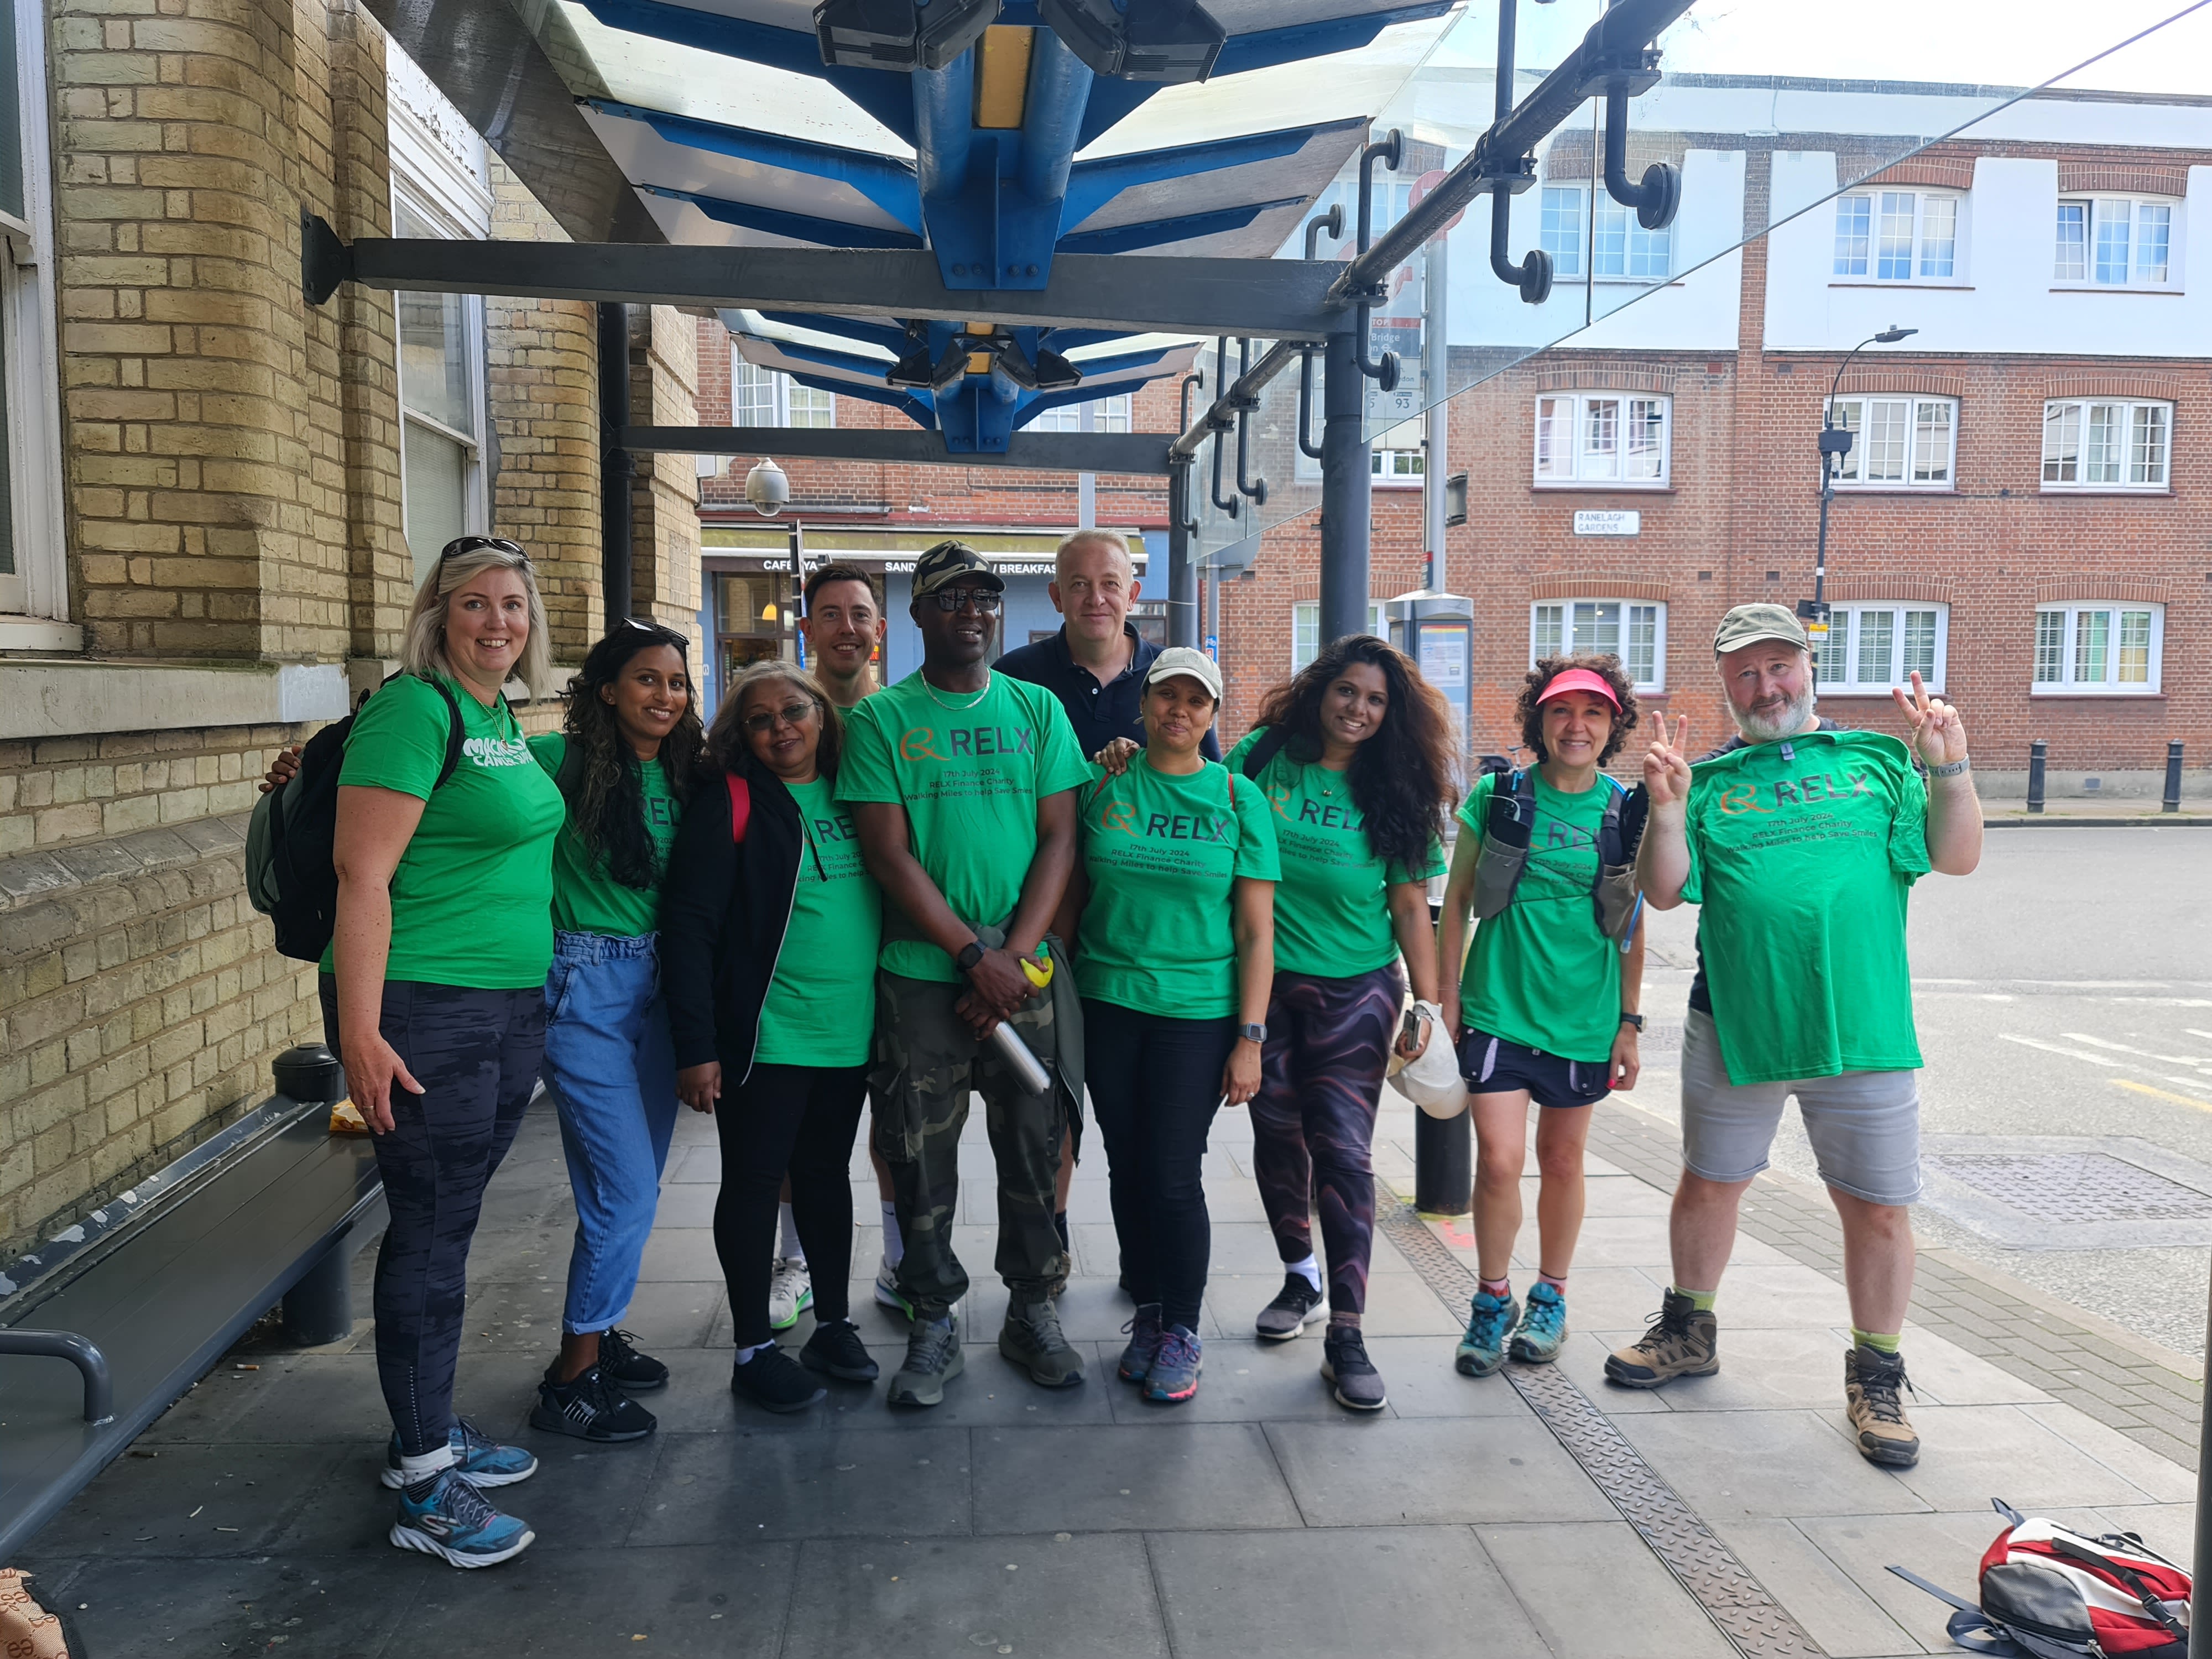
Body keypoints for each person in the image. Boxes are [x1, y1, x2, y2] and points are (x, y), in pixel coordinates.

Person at [1604, 603, 1981, 1470]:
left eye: (1779, 666)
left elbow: (1956, 855)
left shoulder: (1877, 760)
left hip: (1864, 1028)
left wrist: (1949, 766)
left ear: (1808, 670)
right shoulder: (1708, 780)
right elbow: (1664, 892)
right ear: (1726, 685)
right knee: (1710, 1183)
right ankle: (1689, 1328)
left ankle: (1877, 1374)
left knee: (1877, 1208)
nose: (1765, 686)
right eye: (1745, 672)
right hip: (1737, 1021)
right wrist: (1667, 808)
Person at [324, 536, 564, 1568]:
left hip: (506, 1008)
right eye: (475, 604)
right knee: (429, 1234)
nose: (497, 622)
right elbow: (362, 876)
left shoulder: (497, 716)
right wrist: (361, 1032)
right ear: (438, 615)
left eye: (512, 605)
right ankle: (427, 1487)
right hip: (428, 1007)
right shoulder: (414, 711)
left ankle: (423, 1431)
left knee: (449, 1225)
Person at [837, 539, 1093, 1408]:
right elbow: (888, 854)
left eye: (984, 597)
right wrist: (971, 959)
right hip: (923, 980)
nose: (973, 612)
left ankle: (1033, 1308)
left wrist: (1012, 960)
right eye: (951, 599)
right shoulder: (881, 720)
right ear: (917, 613)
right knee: (917, 1153)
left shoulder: (1036, 709)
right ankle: (932, 1317)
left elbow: (1060, 837)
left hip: (1025, 976)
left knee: (1036, 1145)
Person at [1227, 634, 1454, 1412]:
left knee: (1344, 1152)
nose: (1359, 709)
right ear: (1321, 690)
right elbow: (1197, 802)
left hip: (1356, 988)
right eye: (1347, 691)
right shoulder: (1263, 757)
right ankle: (1301, 1278)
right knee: (1275, 1133)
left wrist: (1428, 1005)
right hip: (1262, 985)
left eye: (1376, 700)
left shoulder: (1400, 785)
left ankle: (1348, 1334)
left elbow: (1410, 907)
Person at [1053, 647, 1277, 1404]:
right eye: (1166, 696)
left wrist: (1250, 1038)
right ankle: (1148, 1313)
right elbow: (1071, 892)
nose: (1179, 711)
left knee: (1173, 1172)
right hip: (1108, 1001)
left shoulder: (1238, 798)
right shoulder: (1103, 783)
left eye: (1196, 700)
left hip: (1198, 1013)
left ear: (1213, 714)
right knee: (1125, 1165)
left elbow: (1256, 931)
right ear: (1144, 704)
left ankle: (1183, 1327)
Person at [661, 662, 884, 1412]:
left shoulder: (857, 791)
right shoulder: (731, 802)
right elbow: (689, 929)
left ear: (823, 716)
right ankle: (754, 1348)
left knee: (825, 1177)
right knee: (756, 1184)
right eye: (761, 719)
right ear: (742, 735)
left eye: (795, 710)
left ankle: (834, 1324)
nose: (781, 727)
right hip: (767, 1034)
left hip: (847, 1033)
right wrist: (696, 1047)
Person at [996, 529, 1218, 1275]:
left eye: (1110, 583)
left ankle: (1144, 1268)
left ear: (1133, 593)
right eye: (1079, 584)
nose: (1096, 597)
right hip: (1036, 928)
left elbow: (1206, 797)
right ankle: (1052, 1245)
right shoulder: (1015, 679)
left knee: (1144, 1130)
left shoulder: (1171, 683)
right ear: (1055, 595)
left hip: (1134, 947)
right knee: (1051, 1104)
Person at [1436, 657, 1646, 1379]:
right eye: (1562, 711)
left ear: (1613, 725)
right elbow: (1456, 902)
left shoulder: (1626, 810)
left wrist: (1629, 1024)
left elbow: (1631, 924)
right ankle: (1491, 1299)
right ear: (1540, 721)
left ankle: (1550, 1296)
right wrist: (1448, 998)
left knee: (1561, 1160)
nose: (1576, 726)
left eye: (1593, 712)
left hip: (1584, 1017)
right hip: (1499, 1006)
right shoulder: (1501, 797)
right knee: (1498, 1161)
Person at [525, 621, 703, 1444]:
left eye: (677, 683)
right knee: (625, 1191)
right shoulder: (555, 762)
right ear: (606, 690)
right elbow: (445, 788)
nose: (665, 696)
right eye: (647, 679)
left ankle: (596, 1334)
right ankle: (571, 1380)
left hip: (662, 991)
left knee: (627, 1188)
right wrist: (311, 771)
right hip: (584, 986)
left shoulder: (689, 772)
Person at [760, 564, 907, 1332]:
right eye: (830, 614)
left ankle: (897, 1259)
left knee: (895, 1123)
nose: (847, 627)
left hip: (896, 956)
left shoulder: (898, 722)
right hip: (806, 972)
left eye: (860, 614)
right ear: (807, 628)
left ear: (880, 629)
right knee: (799, 1137)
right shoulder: (784, 719)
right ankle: (796, 1263)